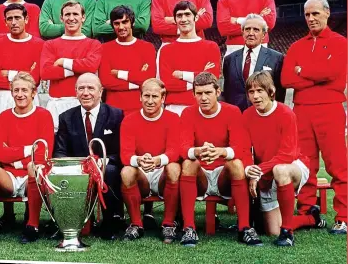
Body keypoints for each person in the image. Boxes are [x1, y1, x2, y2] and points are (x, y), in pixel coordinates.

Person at [281, 0, 347, 234]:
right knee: (306, 162)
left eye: (315, 13)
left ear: (327, 13)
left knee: (337, 164)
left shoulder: (340, 42)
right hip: (302, 110)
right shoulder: (297, 46)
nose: (311, 18)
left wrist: (304, 71)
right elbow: (287, 79)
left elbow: (334, 73)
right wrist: (316, 75)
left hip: (330, 108)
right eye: (307, 14)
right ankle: (307, 212)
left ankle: (343, 216)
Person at [243, 71, 327, 246]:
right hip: (266, 172)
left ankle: (287, 233)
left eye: (260, 90)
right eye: (251, 92)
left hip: (293, 166)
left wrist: (259, 171)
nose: (256, 96)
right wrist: (251, 170)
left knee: (280, 169)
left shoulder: (285, 113)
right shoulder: (247, 115)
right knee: (272, 229)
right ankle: (311, 219)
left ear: (271, 91)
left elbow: (287, 154)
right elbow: (244, 148)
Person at [179, 72, 262, 247]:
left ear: (218, 92)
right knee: (188, 162)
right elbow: (183, 148)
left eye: (208, 93)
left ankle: (244, 228)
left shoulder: (232, 111)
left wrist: (220, 152)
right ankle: (188, 228)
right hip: (200, 175)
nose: (203, 97)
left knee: (237, 163)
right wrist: (199, 151)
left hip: (224, 175)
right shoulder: (187, 113)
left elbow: (241, 147)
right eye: (199, 93)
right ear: (193, 94)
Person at [0, 72, 54, 245]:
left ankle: (32, 225)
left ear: (34, 92)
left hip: (32, 176)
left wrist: (14, 158)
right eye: (16, 90)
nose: (20, 94)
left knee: (34, 166)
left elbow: (42, 154)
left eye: (24, 90)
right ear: (11, 92)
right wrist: (27, 149)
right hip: (9, 177)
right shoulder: (4, 116)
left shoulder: (43, 115)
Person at [54, 73, 124, 240]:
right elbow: (60, 151)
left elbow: (122, 150)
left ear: (101, 91)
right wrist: (75, 166)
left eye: (91, 88)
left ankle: (110, 222)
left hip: (106, 167)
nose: (86, 93)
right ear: (76, 92)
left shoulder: (116, 115)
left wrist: (102, 162)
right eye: (81, 88)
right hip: (78, 170)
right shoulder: (66, 117)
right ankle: (69, 221)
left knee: (111, 170)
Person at [119, 78, 181, 243]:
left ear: (163, 98)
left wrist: (157, 160)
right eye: (146, 96)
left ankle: (168, 223)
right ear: (140, 97)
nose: (150, 100)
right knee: (126, 171)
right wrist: (139, 160)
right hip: (141, 173)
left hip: (162, 171)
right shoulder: (129, 120)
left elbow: (175, 151)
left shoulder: (173, 118)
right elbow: (125, 154)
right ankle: (136, 224)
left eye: (155, 96)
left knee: (174, 168)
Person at [40, 1, 102, 132]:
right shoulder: (50, 44)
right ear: (61, 18)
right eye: (67, 14)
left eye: (75, 14)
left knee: (84, 146)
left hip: (84, 103)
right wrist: (78, 69)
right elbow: (46, 72)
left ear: (83, 17)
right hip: (57, 102)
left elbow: (91, 67)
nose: (71, 18)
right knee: (57, 148)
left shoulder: (93, 44)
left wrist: (63, 62)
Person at [158, 1, 221, 116]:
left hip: (203, 106)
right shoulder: (166, 50)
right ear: (175, 19)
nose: (183, 19)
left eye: (187, 14)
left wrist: (182, 75)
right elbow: (167, 83)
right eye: (179, 15)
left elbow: (212, 78)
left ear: (196, 17)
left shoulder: (211, 47)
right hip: (175, 109)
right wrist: (200, 75)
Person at [0, 3, 43, 119]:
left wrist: (8, 73)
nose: (13, 22)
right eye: (9, 19)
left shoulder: (39, 45)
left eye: (17, 18)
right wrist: (25, 73)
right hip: (2, 97)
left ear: (26, 19)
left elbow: (35, 78)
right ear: (5, 22)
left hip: (28, 96)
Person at [99, 5, 156, 114]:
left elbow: (149, 78)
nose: (121, 27)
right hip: (113, 109)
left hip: (140, 107)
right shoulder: (104, 48)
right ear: (112, 25)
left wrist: (119, 74)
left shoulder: (147, 47)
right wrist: (137, 81)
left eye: (125, 22)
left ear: (132, 23)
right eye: (117, 23)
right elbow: (106, 81)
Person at [223, 14, 285, 112]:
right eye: (247, 29)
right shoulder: (229, 59)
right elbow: (227, 91)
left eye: (256, 30)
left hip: (264, 115)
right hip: (236, 115)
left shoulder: (277, 58)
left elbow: (280, 93)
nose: (251, 33)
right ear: (242, 32)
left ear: (264, 35)